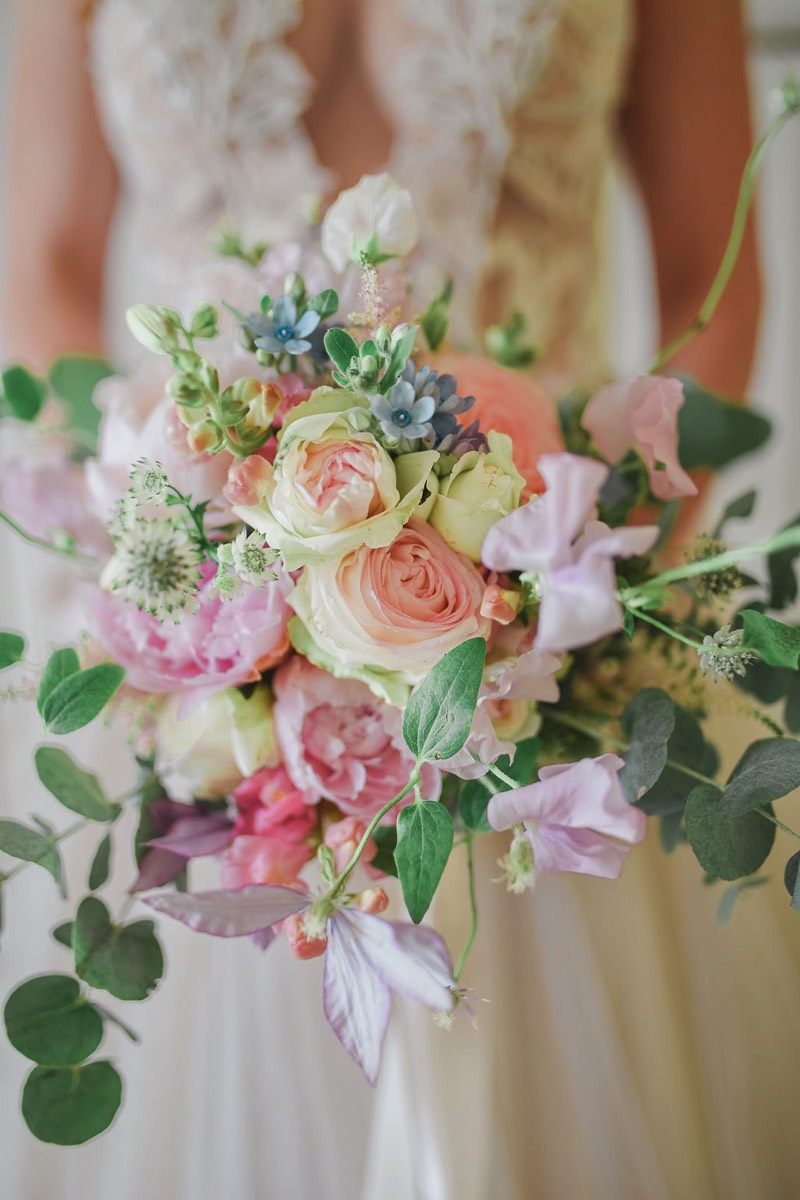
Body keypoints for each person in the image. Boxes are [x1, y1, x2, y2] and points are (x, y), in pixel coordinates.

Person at [3, 2, 798, 1198]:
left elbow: (712, 277)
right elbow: (45, 263)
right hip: (210, 673)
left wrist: (575, 603)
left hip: (555, 661)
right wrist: (203, 575)